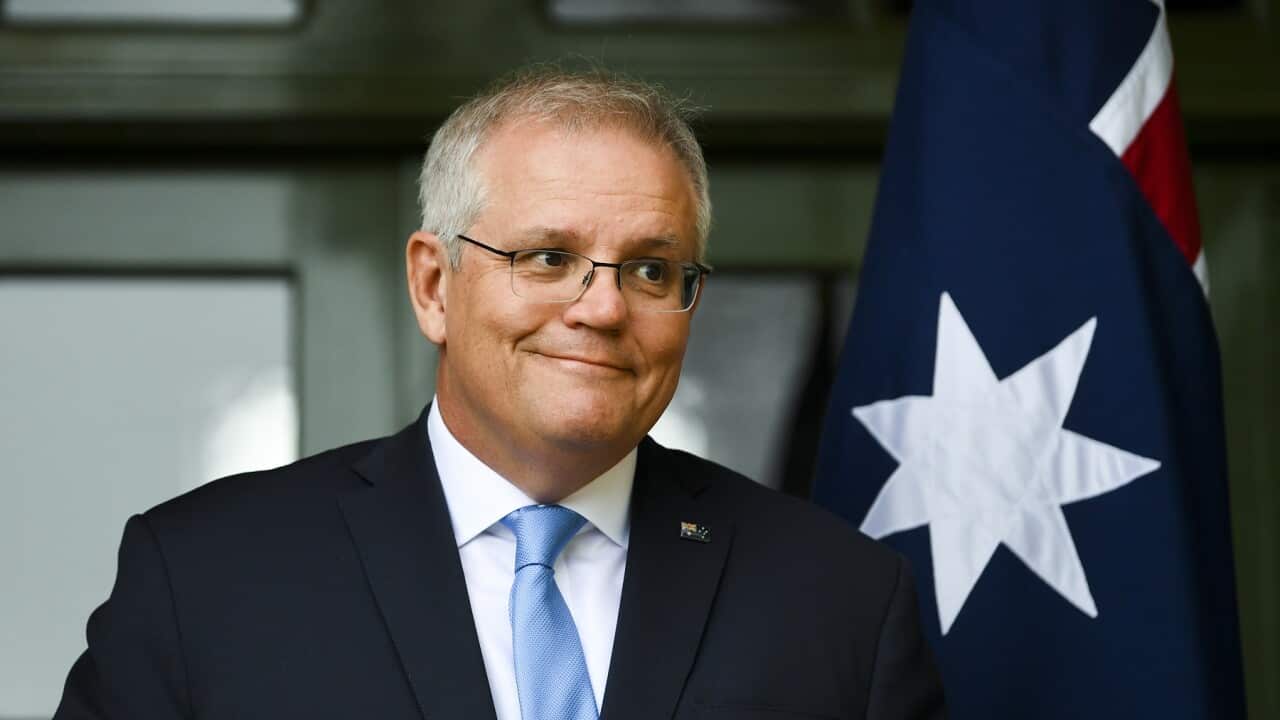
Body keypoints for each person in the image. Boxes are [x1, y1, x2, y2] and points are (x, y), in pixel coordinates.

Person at [54, 66, 945, 720]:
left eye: (649, 267)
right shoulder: (206, 578)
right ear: (435, 286)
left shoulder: (842, 600)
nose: (601, 308)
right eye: (549, 257)